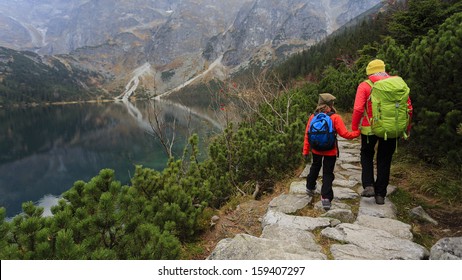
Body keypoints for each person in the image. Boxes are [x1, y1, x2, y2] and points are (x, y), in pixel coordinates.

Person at [352, 59, 413, 205]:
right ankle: (380, 195)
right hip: (391, 128)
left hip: (369, 129)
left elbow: (359, 109)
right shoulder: (397, 84)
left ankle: (368, 186)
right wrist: (406, 128)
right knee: (384, 159)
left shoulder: (365, 85)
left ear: (368, 72)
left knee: (366, 154)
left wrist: (355, 127)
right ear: (384, 70)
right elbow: (409, 108)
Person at [303, 93, 361, 210]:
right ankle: (326, 198)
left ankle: (310, 186)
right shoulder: (335, 117)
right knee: (328, 173)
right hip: (330, 150)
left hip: (316, 149)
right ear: (331, 104)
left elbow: (307, 135)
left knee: (315, 167)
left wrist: (305, 151)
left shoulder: (312, 117)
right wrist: (358, 132)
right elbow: (345, 134)